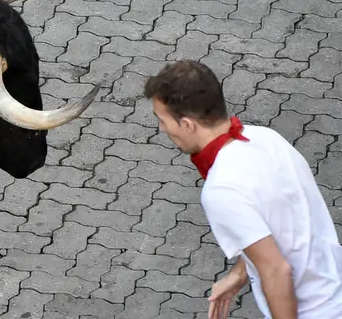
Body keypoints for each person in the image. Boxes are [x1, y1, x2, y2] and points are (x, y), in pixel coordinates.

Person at [142, 59, 342, 319]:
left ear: (188, 124)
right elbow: (279, 228)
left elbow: (276, 271)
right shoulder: (265, 139)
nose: (162, 128)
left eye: (163, 120)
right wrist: (239, 274)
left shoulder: (222, 189)